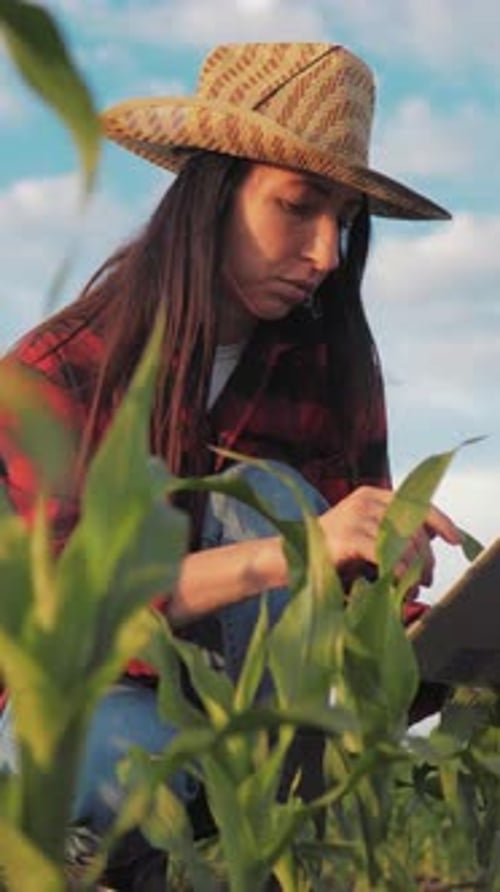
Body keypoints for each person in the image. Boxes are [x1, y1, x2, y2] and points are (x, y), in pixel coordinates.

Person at [0, 41, 462, 888]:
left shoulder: (330, 364)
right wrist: (292, 548)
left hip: (290, 720)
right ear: (210, 197)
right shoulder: (55, 373)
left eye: (346, 221)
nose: (326, 253)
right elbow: (64, 620)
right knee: (269, 501)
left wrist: (425, 637)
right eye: (298, 207)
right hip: (96, 714)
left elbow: (354, 598)